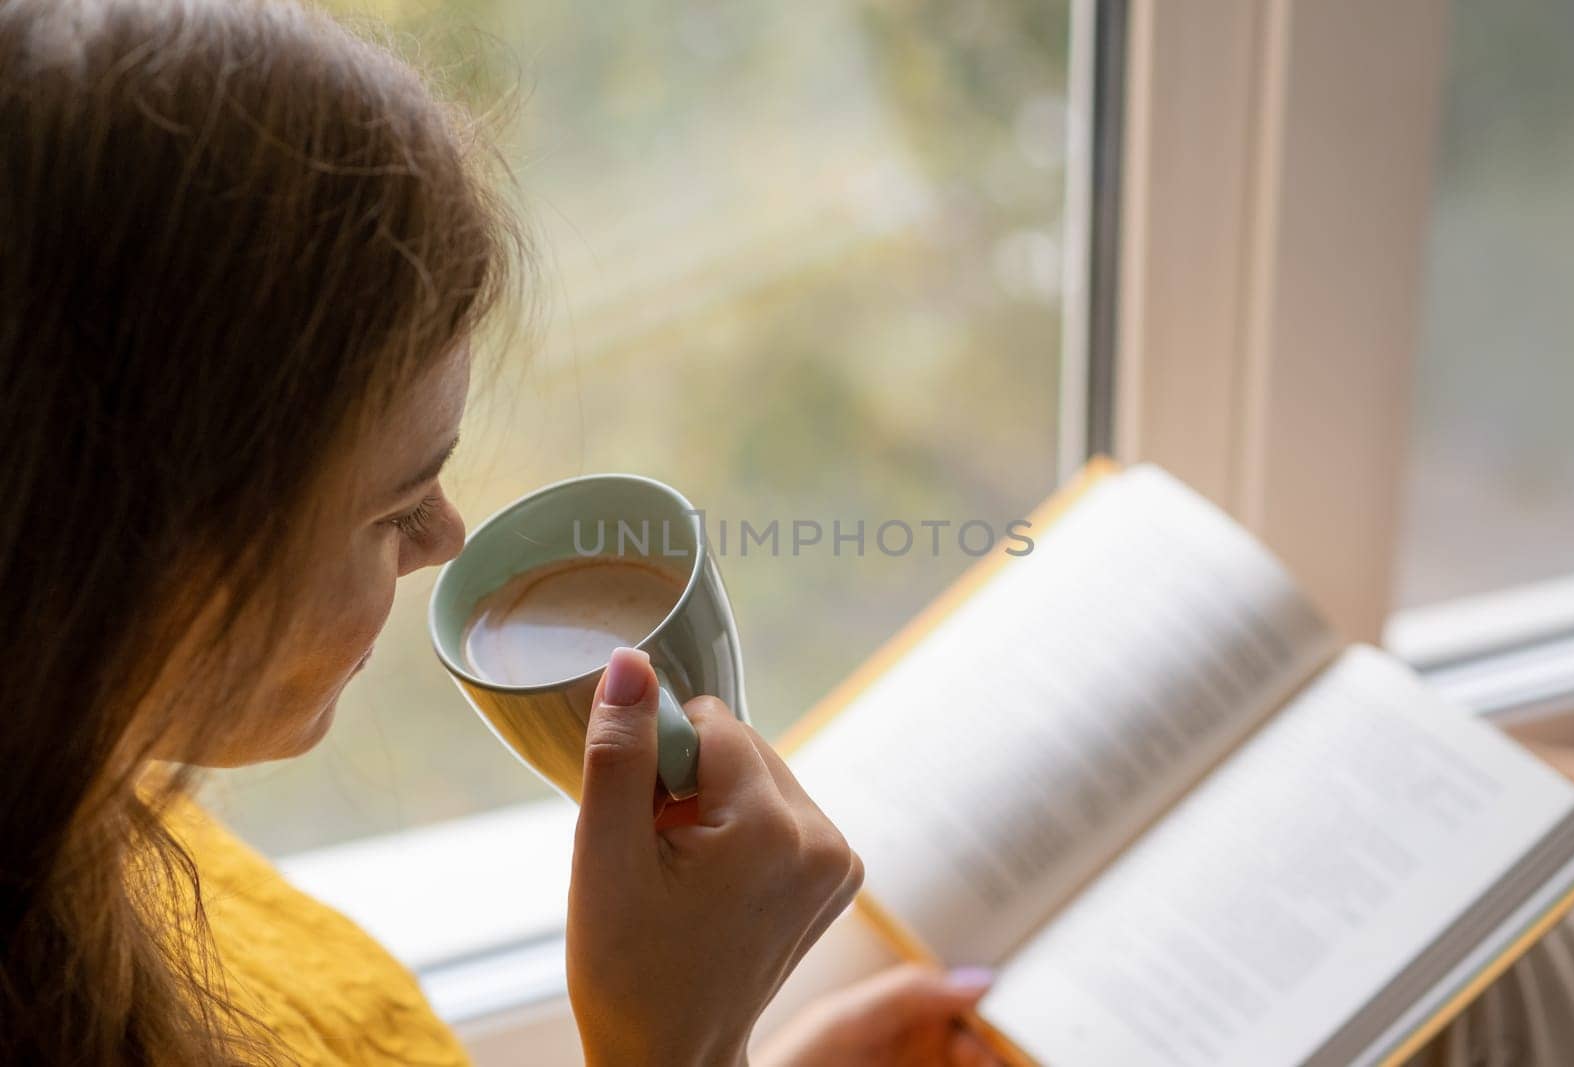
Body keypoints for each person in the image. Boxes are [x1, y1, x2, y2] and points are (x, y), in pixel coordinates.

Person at [0, 1, 1003, 1064]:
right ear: (127, 559)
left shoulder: (95, 803)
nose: (444, 536)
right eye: (391, 510)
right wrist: (678, 1043)